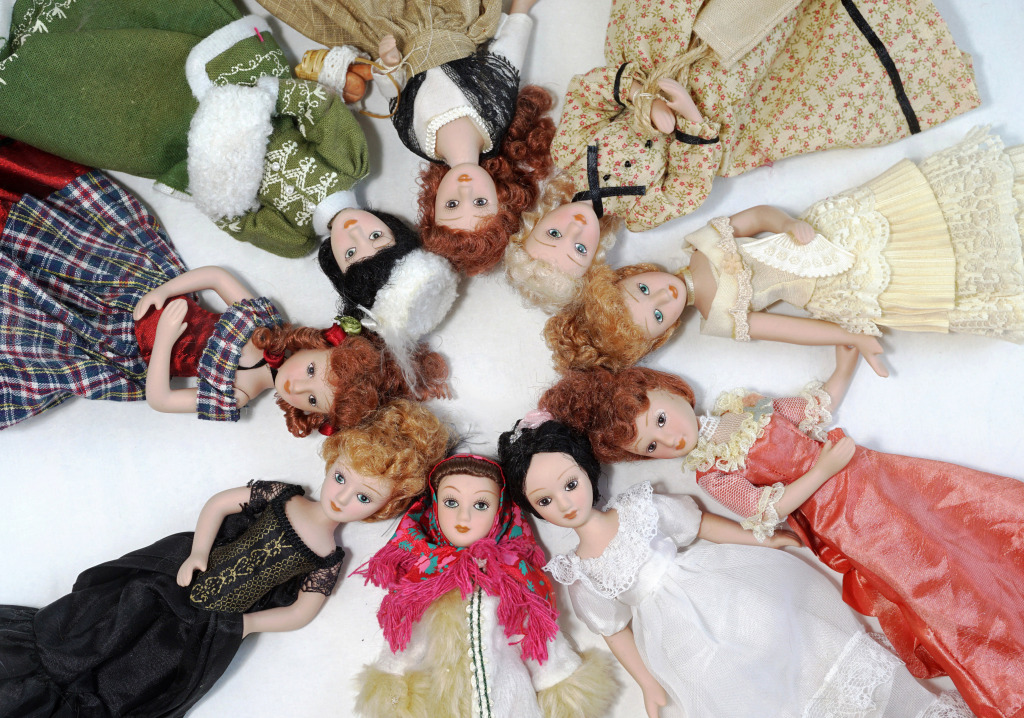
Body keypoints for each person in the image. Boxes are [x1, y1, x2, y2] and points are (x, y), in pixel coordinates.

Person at [537, 357, 1024, 718]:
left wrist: (844, 360)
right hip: (835, 514)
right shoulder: (710, 471)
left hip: (866, 475)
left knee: (954, 519)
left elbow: (809, 408)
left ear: (669, 388)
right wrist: (646, 682)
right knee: (921, 579)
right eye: (651, 446)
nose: (669, 441)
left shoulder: (743, 407)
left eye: (660, 421)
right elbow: (763, 511)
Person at [0, 399, 453, 717]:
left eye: (364, 497)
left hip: (203, 628)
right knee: (99, 632)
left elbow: (301, 612)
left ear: (383, 508)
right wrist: (198, 550)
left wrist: (247, 624)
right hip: (172, 584)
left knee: (135, 675)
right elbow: (220, 503)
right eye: (341, 477)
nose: (343, 497)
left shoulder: (328, 557)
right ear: (331, 462)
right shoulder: (284, 495)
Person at [0, 169, 448, 433]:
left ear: (309, 416)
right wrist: (164, 291)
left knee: (35, 323)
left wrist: (165, 341)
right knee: (73, 253)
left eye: (312, 399)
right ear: (319, 344)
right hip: (141, 290)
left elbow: (160, 397)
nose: (298, 386)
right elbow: (216, 278)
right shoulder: (264, 325)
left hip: (120, 348)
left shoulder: (235, 396)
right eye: (312, 371)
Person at [0, 0, 369, 257]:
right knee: (156, 39)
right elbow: (318, 106)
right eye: (375, 235)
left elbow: (235, 220)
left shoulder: (294, 239)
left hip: (198, 149)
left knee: (109, 115)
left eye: (351, 253)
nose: (355, 234)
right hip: (244, 89)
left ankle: (33, 68)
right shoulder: (351, 164)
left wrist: (213, 178)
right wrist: (263, 98)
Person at [283, 0, 556, 274]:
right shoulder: (495, 117)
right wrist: (521, 10)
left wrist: (388, 68)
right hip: (453, 17)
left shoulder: (418, 140)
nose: (465, 189)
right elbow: (507, 54)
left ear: (433, 205)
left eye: (452, 204)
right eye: (480, 202)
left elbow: (396, 97)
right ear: (502, 196)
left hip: (394, 29)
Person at [354, 454, 617, 718]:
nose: (463, 516)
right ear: (434, 506)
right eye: (451, 502)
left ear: (500, 511)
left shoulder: (513, 579)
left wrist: (562, 689)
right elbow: (402, 649)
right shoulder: (422, 583)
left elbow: (539, 646)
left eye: (481, 504)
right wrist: (392, 694)